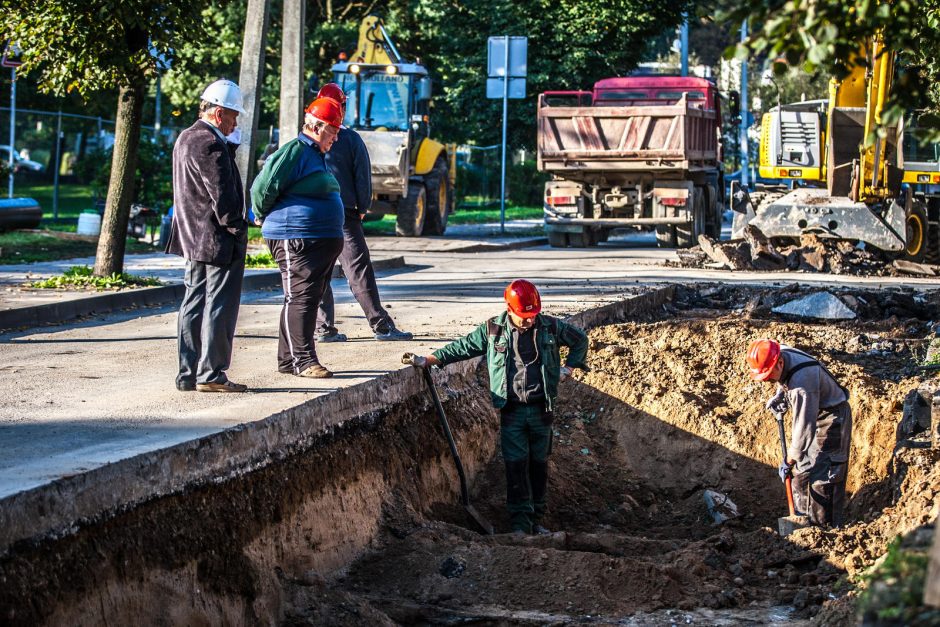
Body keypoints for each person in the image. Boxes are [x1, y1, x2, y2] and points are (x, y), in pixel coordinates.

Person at [404, 280, 589, 534]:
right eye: (524, 316)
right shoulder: (493, 330)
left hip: (541, 410)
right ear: (510, 309)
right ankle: (520, 524)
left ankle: (537, 521)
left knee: (538, 465)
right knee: (515, 466)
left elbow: (580, 340)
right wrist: (430, 359)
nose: (529, 321)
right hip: (512, 410)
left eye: (532, 315)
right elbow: (464, 346)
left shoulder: (551, 326)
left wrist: (568, 368)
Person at [250, 97, 346, 378]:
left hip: (315, 238)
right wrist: (259, 212)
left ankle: (288, 360)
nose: (337, 137)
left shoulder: (314, 155)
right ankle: (304, 361)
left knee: (305, 297)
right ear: (316, 127)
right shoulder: (294, 150)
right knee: (301, 298)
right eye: (333, 130)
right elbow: (263, 187)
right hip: (294, 237)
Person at [165, 79, 249, 393]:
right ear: (218, 114)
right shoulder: (210, 144)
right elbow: (222, 194)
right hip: (217, 239)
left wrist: (232, 145)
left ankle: (187, 374)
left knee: (193, 303)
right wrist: (237, 227)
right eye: (232, 116)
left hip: (192, 238)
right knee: (220, 307)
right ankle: (212, 374)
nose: (235, 122)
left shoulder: (186, 138)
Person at [313, 83, 413, 343]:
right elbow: (362, 179)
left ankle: (323, 328)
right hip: (344, 214)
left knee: (320, 271)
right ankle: (381, 326)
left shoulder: (305, 140)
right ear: (342, 108)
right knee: (358, 270)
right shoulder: (350, 139)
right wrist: (362, 207)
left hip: (313, 215)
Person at [746, 338, 853, 527]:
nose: (769, 380)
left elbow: (804, 426)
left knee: (823, 479)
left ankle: (826, 530)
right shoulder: (781, 353)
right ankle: (802, 524)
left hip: (832, 418)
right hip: (815, 412)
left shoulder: (802, 385)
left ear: (779, 362)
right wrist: (781, 394)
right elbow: (785, 379)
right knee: (800, 474)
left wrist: (790, 458)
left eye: (770, 375)